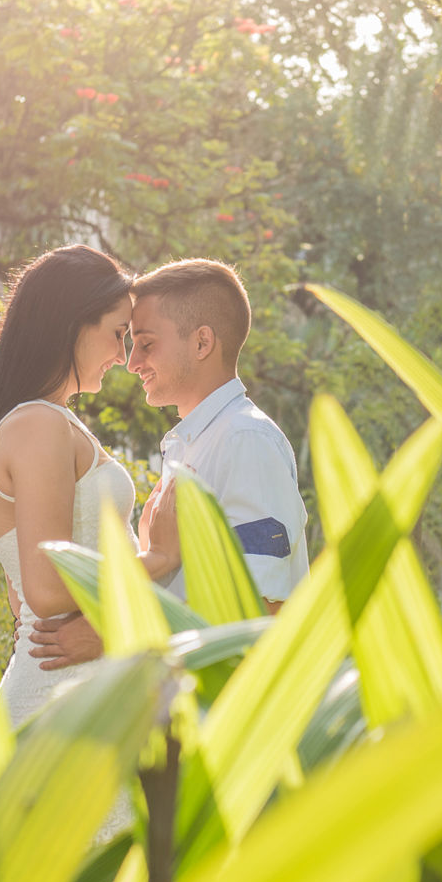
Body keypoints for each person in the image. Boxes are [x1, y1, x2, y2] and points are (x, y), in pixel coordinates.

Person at [32, 258, 307, 664]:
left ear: (201, 343)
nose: (131, 362)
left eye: (146, 343)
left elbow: (263, 610)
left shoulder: (245, 440)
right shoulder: (192, 444)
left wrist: (116, 634)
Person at [0, 245, 179, 728]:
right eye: (118, 334)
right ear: (73, 324)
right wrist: (156, 559)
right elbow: (46, 588)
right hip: (58, 702)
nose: (123, 357)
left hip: (80, 694)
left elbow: (23, 595)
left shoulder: (50, 422)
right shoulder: (38, 424)